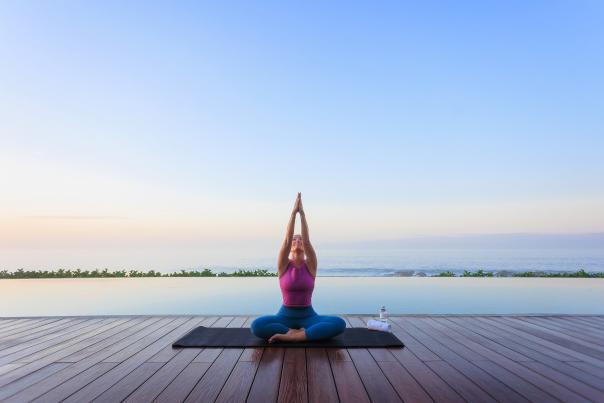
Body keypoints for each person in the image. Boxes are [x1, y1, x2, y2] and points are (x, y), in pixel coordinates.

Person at [250, 193, 346, 343]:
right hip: (284, 316)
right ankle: (293, 332)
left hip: (309, 316)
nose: (297, 241)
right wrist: (293, 213)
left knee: (339, 323)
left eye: (299, 239)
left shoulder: (311, 264)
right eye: (295, 239)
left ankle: (295, 337)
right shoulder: (283, 264)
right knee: (256, 326)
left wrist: (302, 214)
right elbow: (287, 240)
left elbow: (307, 241)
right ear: (290, 247)